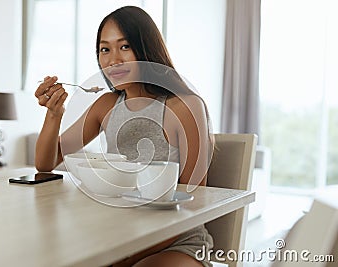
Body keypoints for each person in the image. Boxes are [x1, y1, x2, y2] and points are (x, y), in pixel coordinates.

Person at [34, 6, 214, 267]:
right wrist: (54, 115)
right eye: (105, 49)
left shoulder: (183, 106)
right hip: (120, 236)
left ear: (146, 49)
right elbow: (46, 163)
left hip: (178, 241)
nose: (113, 60)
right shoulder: (106, 105)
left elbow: (195, 203)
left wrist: (127, 257)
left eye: (125, 46)